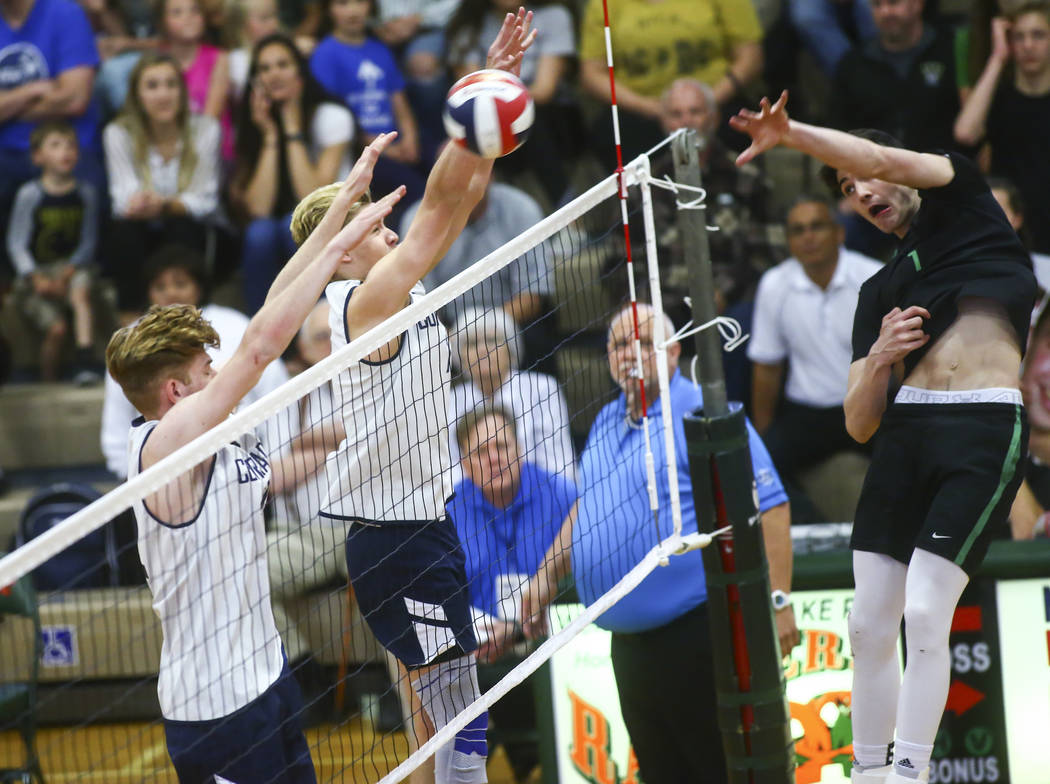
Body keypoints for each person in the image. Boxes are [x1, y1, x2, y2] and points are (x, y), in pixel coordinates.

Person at [730, 91, 1036, 783]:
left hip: (983, 425)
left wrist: (796, 136)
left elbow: (872, 153)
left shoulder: (966, 199)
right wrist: (880, 359)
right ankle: (867, 773)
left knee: (925, 612)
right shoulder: (877, 290)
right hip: (906, 431)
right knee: (868, 625)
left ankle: (908, 774)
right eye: (847, 190)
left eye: (864, 178)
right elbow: (857, 422)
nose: (861, 191)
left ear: (902, 173)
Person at [104, 136, 404, 782]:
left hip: (266, 678)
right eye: (205, 367)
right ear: (175, 392)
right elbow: (264, 343)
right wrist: (339, 247)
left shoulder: (211, 428)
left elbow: (270, 306)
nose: (222, 370)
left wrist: (345, 202)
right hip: (214, 707)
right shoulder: (163, 447)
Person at [287, 12, 536, 783]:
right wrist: (465, 120)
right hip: (393, 536)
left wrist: (491, 94)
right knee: (460, 713)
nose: (387, 225)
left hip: (423, 523)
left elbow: (458, 202)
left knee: (444, 712)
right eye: (370, 220)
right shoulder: (362, 302)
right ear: (340, 247)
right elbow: (433, 215)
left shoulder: (397, 286)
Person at [518, 304, 798, 784]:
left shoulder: (702, 411)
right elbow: (586, 509)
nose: (631, 354)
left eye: (645, 343)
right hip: (628, 643)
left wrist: (778, 601)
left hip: (696, 631)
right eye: (620, 345)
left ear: (673, 352)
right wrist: (545, 576)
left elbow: (769, 505)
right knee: (661, 771)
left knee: (714, 766)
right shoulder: (607, 421)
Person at [447, 405, 577, 784]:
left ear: (519, 447)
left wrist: (518, 629)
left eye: (502, 446)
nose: (494, 458)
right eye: (480, 452)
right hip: (478, 655)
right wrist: (482, 633)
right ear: (465, 464)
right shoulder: (448, 510)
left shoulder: (561, 497)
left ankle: (536, 764)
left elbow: (577, 582)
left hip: (547, 647)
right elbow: (444, 593)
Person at [100, 243, 289, 479]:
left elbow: (271, 384)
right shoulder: (132, 345)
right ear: (175, 390)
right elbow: (257, 356)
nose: (170, 293)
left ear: (198, 287)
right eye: (160, 286)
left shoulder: (234, 323)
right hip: (181, 479)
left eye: (180, 284)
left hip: (247, 467)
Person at [749, 196, 881, 517]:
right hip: (806, 414)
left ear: (839, 233)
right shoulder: (774, 285)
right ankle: (817, 531)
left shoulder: (875, 277)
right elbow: (767, 368)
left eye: (816, 227)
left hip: (870, 407)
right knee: (755, 470)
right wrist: (762, 440)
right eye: (798, 230)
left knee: (917, 456)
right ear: (789, 242)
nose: (808, 237)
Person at [230, 32, 355, 312]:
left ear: (300, 71)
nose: (274, 74)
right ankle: (261, 329)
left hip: (329, 222)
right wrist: (271, 135)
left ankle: (322, 323)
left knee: (292, 231)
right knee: (259, 233)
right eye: (264, 68)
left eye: (283, 65)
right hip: (274, 226)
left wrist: (291, 125)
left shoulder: (331, 116)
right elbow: (258, 209)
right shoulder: (253, 125)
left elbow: (311, 199)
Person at [102, 53, 222, 312]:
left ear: (182, 91)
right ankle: (131, 320)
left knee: (181, 226)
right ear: (137, 95)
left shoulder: (205, 129)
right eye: (152, 86)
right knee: (125, 234)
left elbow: (205, 200)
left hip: (189, 226)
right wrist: (142, 204)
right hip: (139, 227)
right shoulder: (118, 133)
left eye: (171, 84)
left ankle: (190, 316)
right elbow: (122, 200)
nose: (163, 94)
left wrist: (165, 205)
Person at [577, 0, 763, 166]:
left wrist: (705, 103)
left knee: (742, 125)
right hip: (641, 110)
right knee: (610, 135)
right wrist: (650, 107)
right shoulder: (605, 5)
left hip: (717, 100)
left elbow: (750, 57)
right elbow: (592, 74)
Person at [402, 174, 555, 373]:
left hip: (512, 321)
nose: (462, 189)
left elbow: (531, 297)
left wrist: (483, 331)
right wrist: (453, 337)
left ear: (489, 177)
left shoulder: (521, 208)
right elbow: (421, 300)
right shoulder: (417, 220)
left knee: (537, 335)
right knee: (419, 349)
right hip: (448, 329)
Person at [447, 0, 578, 206]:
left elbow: (545, 90)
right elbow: (469, 96)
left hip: (553, 117)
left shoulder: (554, 15)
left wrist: (504, 96)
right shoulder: (469, 27)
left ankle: (571, 216)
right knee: (474, 129)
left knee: (528, 119)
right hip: (490, 118)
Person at [309, 0, 426, 216]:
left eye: (359, 2)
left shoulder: (380, 50)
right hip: (360, 154)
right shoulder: (325, 54)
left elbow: (399, 101)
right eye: (342, 3)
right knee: (418, 194)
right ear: (329, 10)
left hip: (397, 145)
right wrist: (385, 149)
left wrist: (411, 138)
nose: (352, 10)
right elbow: (334, 119)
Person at [6, 120, 101, 384]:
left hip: (72, 268)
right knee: (56, 329)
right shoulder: (30, 194)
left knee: (80, 293)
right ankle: (48, 380)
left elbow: (88, 241)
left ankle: (85, 359)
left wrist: (69, 271)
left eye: (71, 144)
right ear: (38, 156)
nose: (66, 151)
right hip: (37, 274)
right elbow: (16, 242)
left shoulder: (86, 194)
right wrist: (34, 276)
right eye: (56, 145)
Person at [954, 3, 1050, 255]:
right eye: (1019, 36)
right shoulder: (999, 94)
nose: (1028, 45)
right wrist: (998, 57)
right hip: (1009, 222)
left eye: (1038, 35)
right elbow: (966, 132)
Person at [448, 307, 575, 478]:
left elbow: (559, 464)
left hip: (537, 496)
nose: (482, 350)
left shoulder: (542, 389)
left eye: (492, 340)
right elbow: (452, 470)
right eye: (472, 344)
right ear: (460, 356)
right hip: (472, 501)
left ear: (511, 349)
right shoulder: (450, 401)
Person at [0, 0, 103, 209]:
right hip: (5, 152)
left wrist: (7, 105)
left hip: (68, 149)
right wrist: (31, 90)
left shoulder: (65, 12)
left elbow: (74, 99)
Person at [158, 0, 233, 159]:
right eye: (177, 12)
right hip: (168, 152)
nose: (188, 17)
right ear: (163, 21)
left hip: (213, 153)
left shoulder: (218, 58)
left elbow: (209, 119)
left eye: (194, 11)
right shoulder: (157, 61)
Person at [987, 176, 1050, 291]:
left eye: (997, 211)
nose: (988, 219)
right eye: (982, 211)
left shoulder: (1046, 271)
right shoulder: (953, 268)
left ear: (1017, 219)